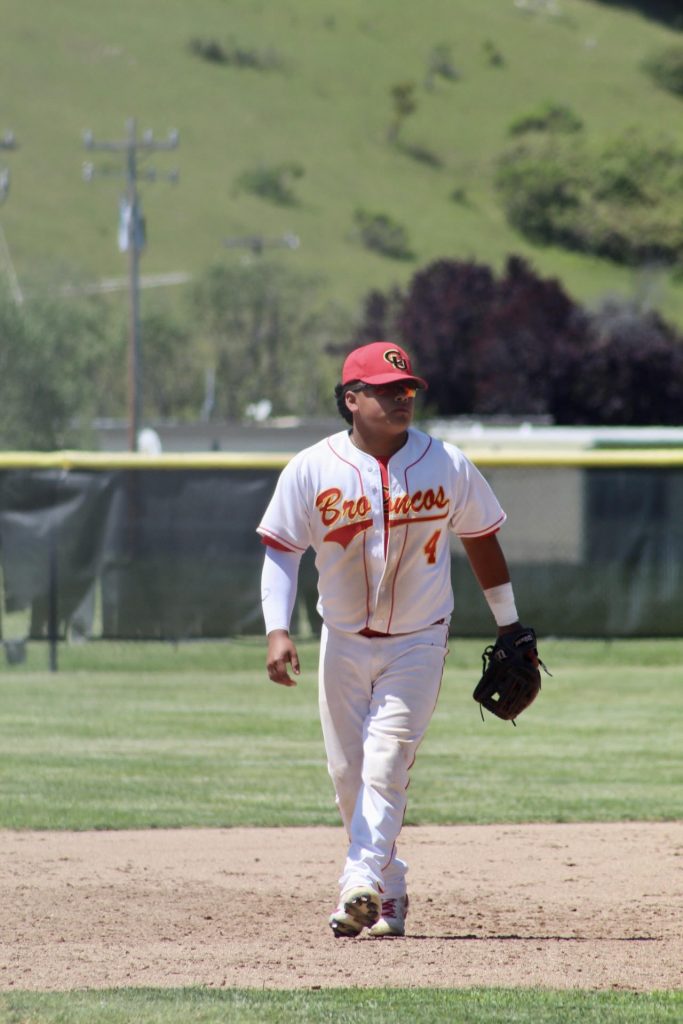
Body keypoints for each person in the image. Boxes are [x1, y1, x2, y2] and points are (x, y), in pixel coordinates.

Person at [257, 341, 526, 938]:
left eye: (407, 389)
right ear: (352, 399)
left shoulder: (446, 463)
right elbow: (281, 550)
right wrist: (277, 629)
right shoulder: (311, 468)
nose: (401, 398)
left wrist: (509, 624)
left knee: (385, 760)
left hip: (419, 640)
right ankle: (392, 888)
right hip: (343, 639)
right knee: (348, 775)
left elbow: (482, 538)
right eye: (385, 389)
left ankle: (358, 881)